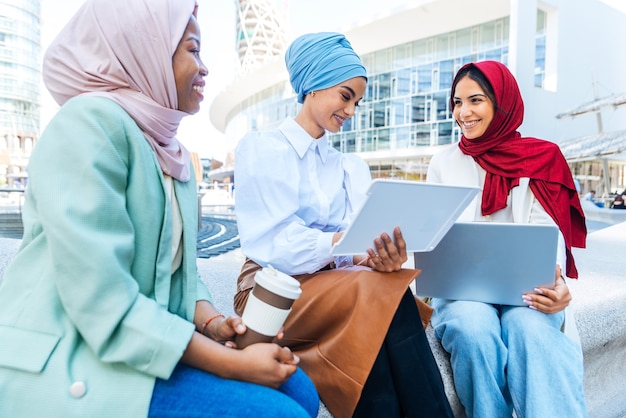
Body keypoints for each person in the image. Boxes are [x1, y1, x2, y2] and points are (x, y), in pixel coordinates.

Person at [0, 1, 319, 417]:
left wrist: (212, 323)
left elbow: (179, 279)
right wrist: (231, 361)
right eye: (191, 49)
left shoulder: (174, 153)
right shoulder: (87, 123)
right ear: (143, 49)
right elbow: (103, 298)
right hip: (71, 356)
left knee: (302, 391)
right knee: (282, 412)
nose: (204, 67)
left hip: (137, 347)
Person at [234, 32, 453, 418]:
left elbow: (353, 248)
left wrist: (375, 256)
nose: (352, 110)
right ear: (312, 87)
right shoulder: (264, 148)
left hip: (338, 285)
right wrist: (345, 245)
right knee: (378, 292)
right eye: (345, 95)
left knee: (384, 283)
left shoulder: (349, 167)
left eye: (358, 101)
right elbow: (275, 244)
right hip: (271, 288)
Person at [426, 60, 588, 417]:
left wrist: (556, 283)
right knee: (472, 329)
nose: (463, 112)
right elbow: (431, 241)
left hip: (528, 291)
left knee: (529, 329)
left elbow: (549, 238)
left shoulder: (542, 158)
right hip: (461, 292)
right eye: (457, 102)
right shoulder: (443, 162)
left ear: (502, 103)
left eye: (475, 100)